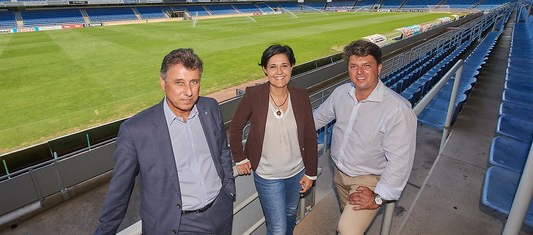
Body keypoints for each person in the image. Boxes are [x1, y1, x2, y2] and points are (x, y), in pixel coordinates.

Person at [94, 48, 235, 235]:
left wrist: (228, 191)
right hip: (180, 225)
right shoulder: (136, 130)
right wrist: (105, 231)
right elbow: (120, 190)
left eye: (194, 82)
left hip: (221, 211)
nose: (188, 91)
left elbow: (222, 151)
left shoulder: (210, 107)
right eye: (179, 83)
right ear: (163, 82)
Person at [313, 39, 417, 235]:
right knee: (347, 215)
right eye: (354, 66)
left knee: (347, 229)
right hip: (339, 174)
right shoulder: (341, 93)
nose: (359, 72)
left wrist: (378, 197)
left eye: (366, 66)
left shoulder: (397, 109)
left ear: (378, 68)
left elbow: (400, 163)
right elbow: (315, 120)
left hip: (368, 181)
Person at [230, 44, 318, 235]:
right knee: (277, 229)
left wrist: (310, 173)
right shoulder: (254, 95)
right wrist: (239, 157)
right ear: (265, 69)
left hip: (296, 172)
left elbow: (310, 136)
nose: (279, 72)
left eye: (284, 66)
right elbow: (235, 127)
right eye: (272, 66)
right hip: (268, 175)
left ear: (292, 67)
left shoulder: (301, 97)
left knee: (289, 216)